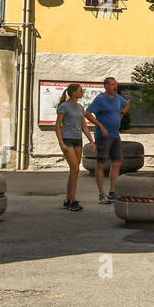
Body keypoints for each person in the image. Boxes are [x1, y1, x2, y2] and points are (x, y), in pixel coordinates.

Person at [86, 76, 130, 204]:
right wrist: (100, 125)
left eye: (115, 84)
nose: (114, 86)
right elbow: (87, 113)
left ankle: (112, 192)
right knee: (100, 164)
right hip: (103, 137)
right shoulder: (100, 99)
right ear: (105, 86)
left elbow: (127, 104)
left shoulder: (117, 98)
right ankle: (101, 194)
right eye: (111, 84)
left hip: (115, 135)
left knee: (117, 162)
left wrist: (122, 114)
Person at [55, 84, 93, 212]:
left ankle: (68, 199)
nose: (82, 93)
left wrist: (91, 140)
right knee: (75, 168)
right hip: (67, 139)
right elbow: (57, 126)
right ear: (73, 92)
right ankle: (72, 201)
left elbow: (84, 126)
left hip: (78, 140)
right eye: (80, 91)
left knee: (75, 171)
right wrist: (61, 143)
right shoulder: (64, 106)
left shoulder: (81, 107)